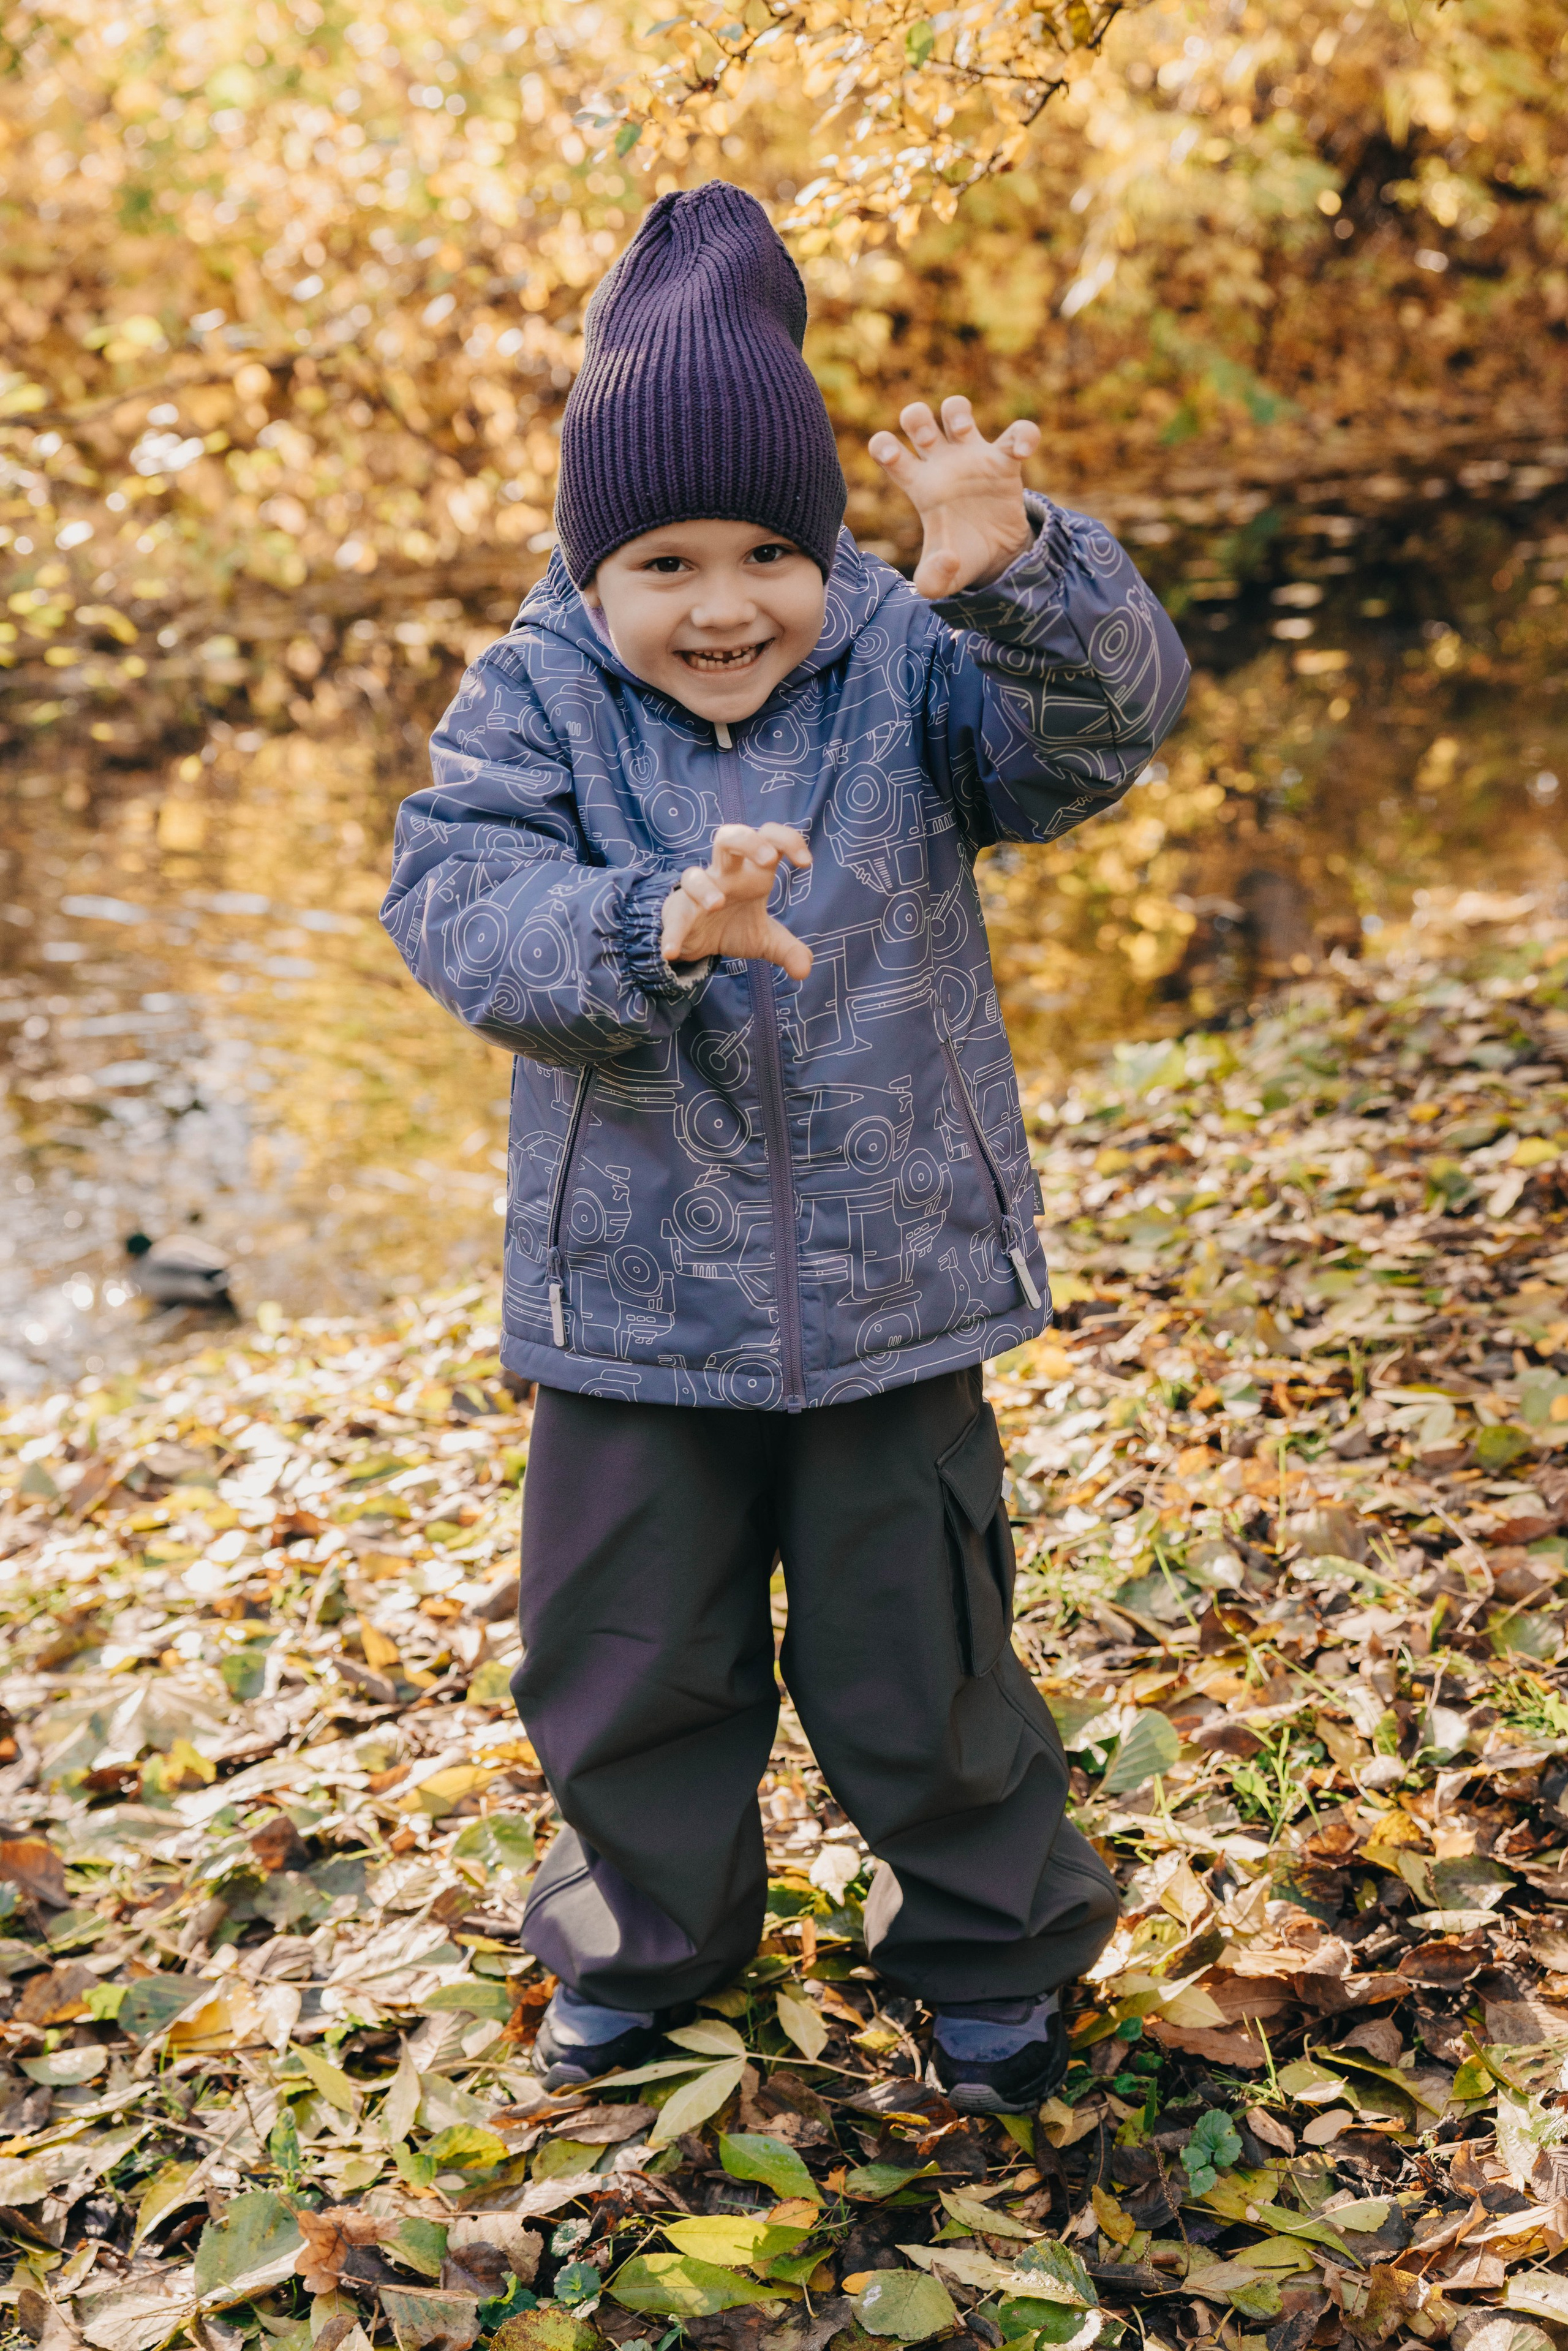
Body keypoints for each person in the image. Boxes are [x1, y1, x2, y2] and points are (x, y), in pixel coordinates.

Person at [382, 180, 1189, 2112]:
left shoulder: (910, 666)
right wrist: (646, 921)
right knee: (626, 1669)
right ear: (592, 571)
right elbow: (454, 905)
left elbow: (1097, 742)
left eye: (771, 549)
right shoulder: (535, 702)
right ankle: (645, 1945)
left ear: (832, 545)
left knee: (928, 1664)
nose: (726, 603)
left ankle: (991, 1945)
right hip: (632, 1312)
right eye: (666, 561)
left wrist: (1018, 575)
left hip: (892, 1287)